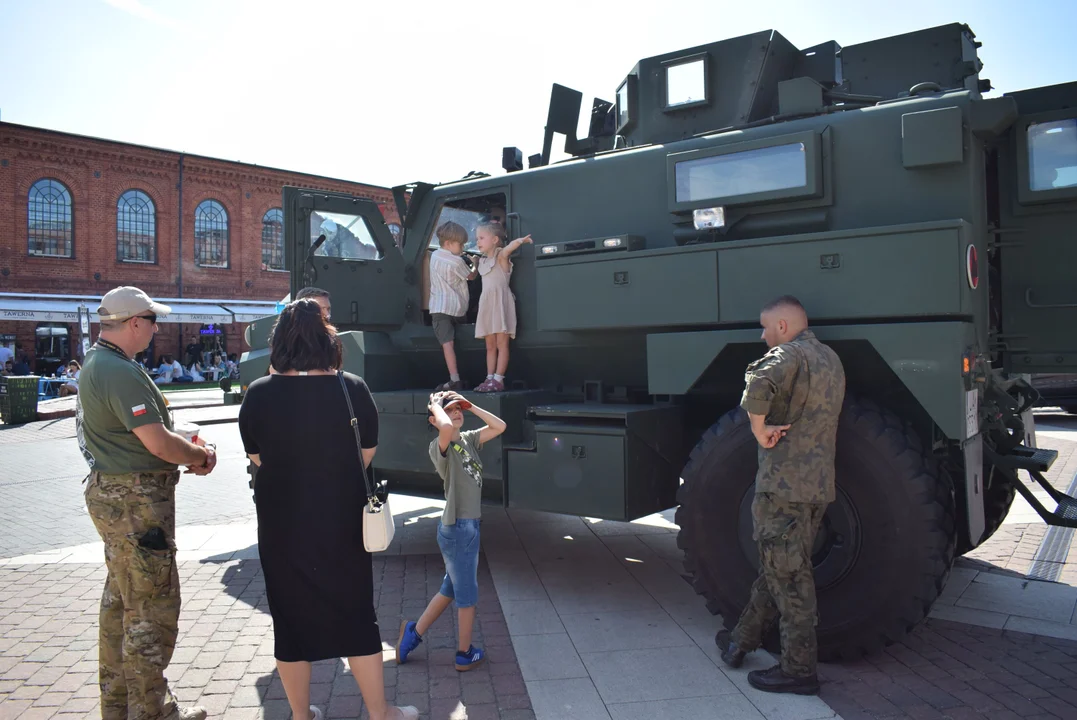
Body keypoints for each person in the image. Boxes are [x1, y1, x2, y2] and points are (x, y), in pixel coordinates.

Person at [237, 299, 418, 720]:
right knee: (356, 613)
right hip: (341, 522)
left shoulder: (259, 393)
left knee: (289, 618)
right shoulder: (351, 387)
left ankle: (301, 715)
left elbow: (258, 457)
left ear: (278, 341)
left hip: (282, 525)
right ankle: (381, 712)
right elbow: (366, 454)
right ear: (328, 339)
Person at [77, 286, 218, 720]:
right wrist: (201, 455)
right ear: (135, 322)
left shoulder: (102, 363)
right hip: (135, 503)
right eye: (152, 320)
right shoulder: (117, 370)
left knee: (122, 606)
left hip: (120, 499)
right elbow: (157, 442)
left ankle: (124, 709)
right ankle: (150, 713)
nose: (156, 329)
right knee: (150, 613)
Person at [715, 295, 846, 695]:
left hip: (783, 488)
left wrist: (758, 429)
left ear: (784, 328)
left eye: (766, 326)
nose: (763, 334)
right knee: (779, 568)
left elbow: (758, 381)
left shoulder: (788, 356)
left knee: (790, 579)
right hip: (817, 487)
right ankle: (742, 640)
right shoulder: (830, 360)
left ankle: (799, 669)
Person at [396, 390, 507, 670]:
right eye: (452, 409)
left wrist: (472, 406)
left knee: (450, 589)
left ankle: (412, 634)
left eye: (460, 409)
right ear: (435, 419)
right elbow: (446, 426)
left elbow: (500, 426)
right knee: (467, 595)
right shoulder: (439, 445)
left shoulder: (468, 440)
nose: (457, 413)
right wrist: (436, 406)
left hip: (467, 528)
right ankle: (464, 653)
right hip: (458, 529)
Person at [472, 222, 532, 392]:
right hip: (487, 304)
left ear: (495, 239)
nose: (478, 241)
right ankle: (489, 377)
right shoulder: (482, 261)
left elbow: (507, 250)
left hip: (500, 303)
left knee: (501, 343)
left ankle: (499, 379)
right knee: (489, 345)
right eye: (477, 238)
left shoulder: (501, 257)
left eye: (482, 238)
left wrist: (519, 241)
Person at [429, 221, 478, 391]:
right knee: (461, 341)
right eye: (461, 244)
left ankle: (454, 378)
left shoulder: (434, 255)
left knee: (447, 344)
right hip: (457, 308)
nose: (463, 247)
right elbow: (470, 277)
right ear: (449, 243)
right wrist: (476, 264)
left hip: (438, 308)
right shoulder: (457, 262)